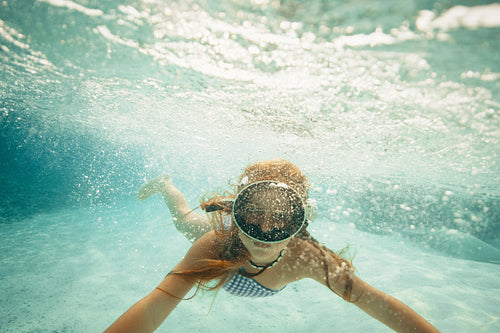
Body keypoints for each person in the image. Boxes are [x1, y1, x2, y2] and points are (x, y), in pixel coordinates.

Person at [105, 159, 440, 333]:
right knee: (184, 221)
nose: (264, 231)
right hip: (220, 234)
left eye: (281, 216)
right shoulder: (215, 243)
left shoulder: (308, 259)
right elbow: (154, 307)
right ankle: (167, 186)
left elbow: (376, 303)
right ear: (236, 211)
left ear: (302, 219)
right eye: (252, 212)